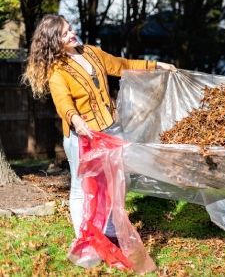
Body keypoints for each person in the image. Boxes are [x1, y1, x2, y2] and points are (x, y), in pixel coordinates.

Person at [22, 14, 175, 242]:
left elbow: (122, 65)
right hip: (80, 136)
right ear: (54, 41)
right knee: (80, 186)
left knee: (121, 178)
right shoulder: (57, 71)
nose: (72, 34)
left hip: (111, 128)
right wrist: (76, 120)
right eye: (64, 34)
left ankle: (110, 228)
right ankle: (83, 236)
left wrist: (156, 65)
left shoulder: (91, 52)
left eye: (70, 29)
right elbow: (63, 101)